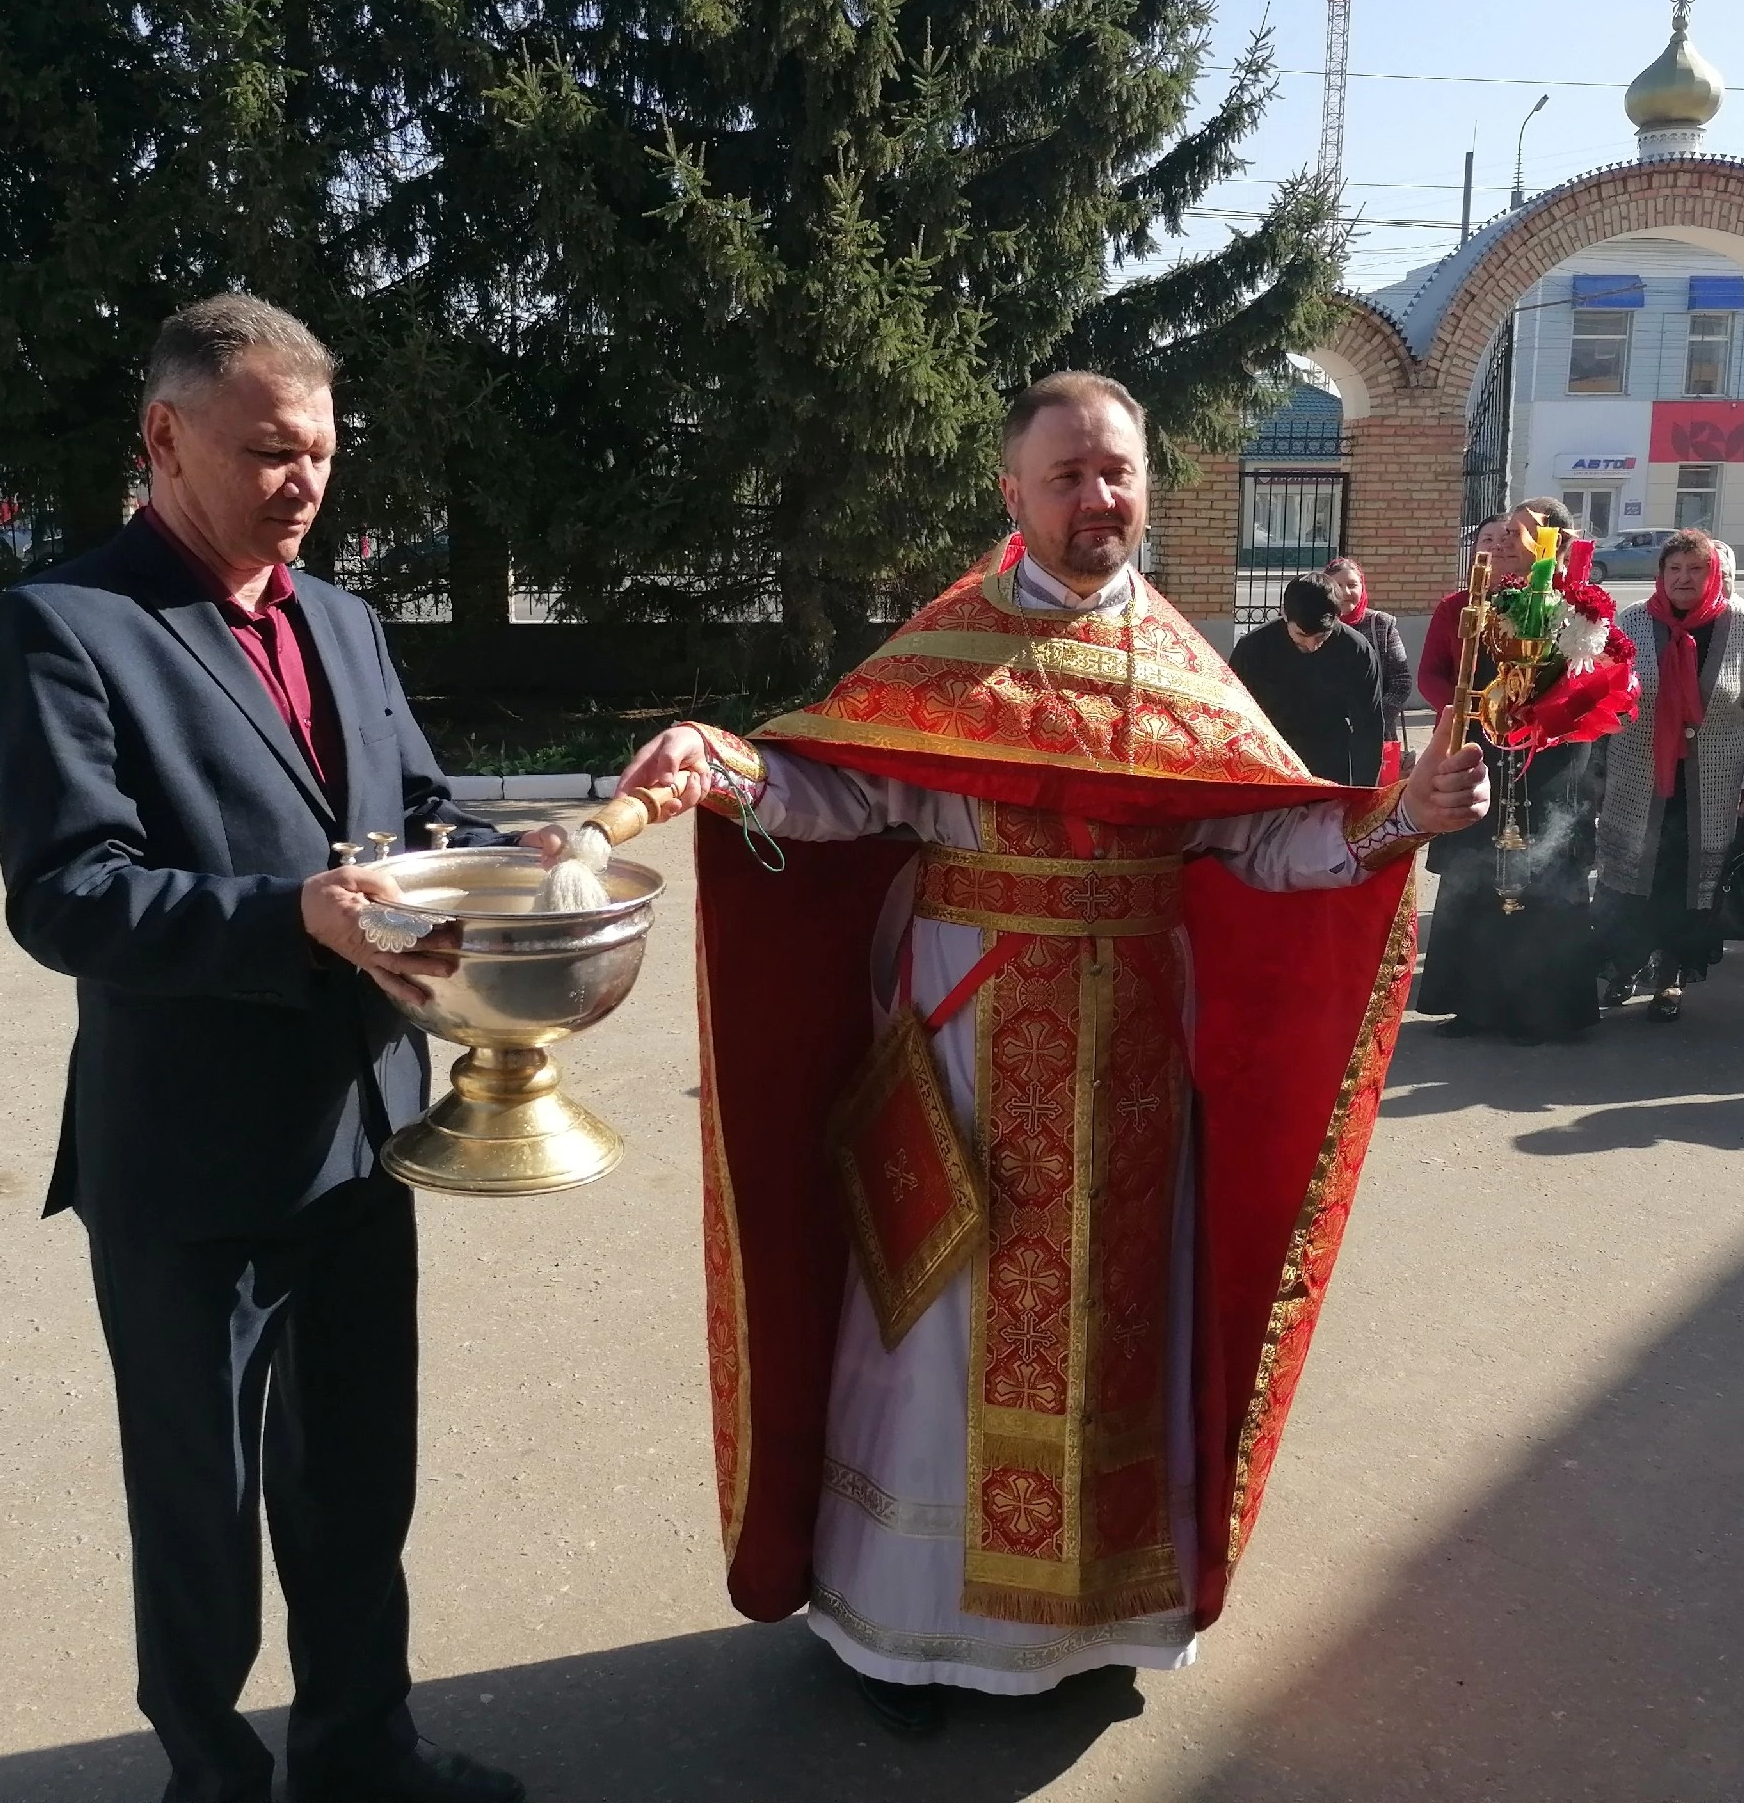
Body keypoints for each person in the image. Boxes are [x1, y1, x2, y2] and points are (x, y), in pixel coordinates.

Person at [567, 372, 1488, 1735]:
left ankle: (1081, 1630)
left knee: (1117, 1336)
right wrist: (726, 764)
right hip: (956, 1058)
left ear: (1147, 485)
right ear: (1014, 495)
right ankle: (909, 1643)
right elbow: (846, 788)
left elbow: (1264, 842)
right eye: (1064, 477)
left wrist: (1397, 815)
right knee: (929, 1345)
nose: (1093, 498)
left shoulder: (1186, 671)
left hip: (1126, 1081)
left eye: (1115, 471)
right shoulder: (950, 650)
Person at [0, 296, 524, 1803]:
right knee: (202, 1514)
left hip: (365, 1137)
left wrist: (499, 858)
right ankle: (212, 1781)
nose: (306, 483)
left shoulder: (341, 621)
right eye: (271, 450)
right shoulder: (68, 627)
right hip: (192, 1171)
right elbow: (69, 894)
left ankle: (363, 1759)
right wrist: (294, 919)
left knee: (356, 1493)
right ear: (164, 437)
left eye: (325, 456)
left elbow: (413, 814)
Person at [1413, 502, 1606, 1041]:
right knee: (1477, 871)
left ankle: (1543, 1008)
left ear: (1549, 542)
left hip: (1550, 753)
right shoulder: (1470, 603)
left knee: (1545, 873)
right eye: (1496, 536)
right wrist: (1473, 709)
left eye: (1517, 533)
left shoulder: (1576, 604)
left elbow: (1597, 677)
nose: (1503, 544)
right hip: (1483, 742)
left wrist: (1541, 710)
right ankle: (1474, 1003)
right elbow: (1437, 673)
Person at [1595, 529, 1744, 1021]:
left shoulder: (1742, 623)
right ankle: (1624, 965)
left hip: (1713, 782)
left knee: (1685, 880)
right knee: (1634, 874)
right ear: (1661, 574)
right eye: (1674, 569)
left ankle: (1671, 975)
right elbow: (1601, 694)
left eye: (1695, 569)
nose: (1683, 578)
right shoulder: (1632, 622)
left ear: (1712, 573)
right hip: (1637, 776)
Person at [1227, 575, 1384, 783]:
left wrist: (1364, 794)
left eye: (1321, 637)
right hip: (1268, 757)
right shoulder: (1254, 649)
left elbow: (1368, 727)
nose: (1311, 646)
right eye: (1301, 635)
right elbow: (1232, 718)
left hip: (1330, 761)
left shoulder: (1356, 650)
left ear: (1337, 617)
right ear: (1284, 614)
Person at [1322, 554, 1414, 777]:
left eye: (1352, 585)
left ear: (1362, 587)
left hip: (1376, 736)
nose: (1345, 593)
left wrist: (1374, 718)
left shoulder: (1381, 624)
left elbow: (1402, 681)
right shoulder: (1316, 625)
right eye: (1337, 586)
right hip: (1326, 735)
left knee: (1374, 801)